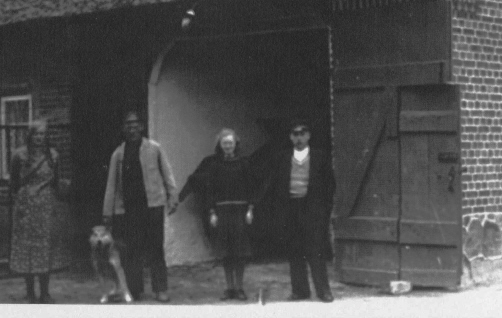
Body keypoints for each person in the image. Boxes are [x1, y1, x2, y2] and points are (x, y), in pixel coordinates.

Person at [102, 110, 179, 302]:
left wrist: (173, 196)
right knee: (132, 250)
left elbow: (167, 174)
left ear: (142, 127)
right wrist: (107, 213)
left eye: (135, 125)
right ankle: (135, 289)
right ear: (123, 129)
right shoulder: (118, 154)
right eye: (128, 125)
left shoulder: (154, 148)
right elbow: (111, 184)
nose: (132, 128)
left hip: (152, 206)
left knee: (155, 248)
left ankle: (160, 289)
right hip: (128, 209)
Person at [177, 128, 257, 300]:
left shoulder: (245, 163)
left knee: (240, 252)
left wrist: (250, 209)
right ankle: (229, 288)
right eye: (224, 143)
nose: (228, 146)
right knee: (227, 252)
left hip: (240, 211)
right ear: (220, 145)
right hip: (222, 212)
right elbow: (210, 191)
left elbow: (252, 187)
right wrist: (212, 213)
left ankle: (240, 287)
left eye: (230, 142)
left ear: (236, 144)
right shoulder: (214, 165)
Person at [264, 118, 335, 302]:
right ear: (290, 137)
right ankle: (300, 291)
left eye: (303, 133)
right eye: (295, 134)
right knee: (295, 250)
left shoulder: (320, 156)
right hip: (291, 208)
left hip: (312, 209)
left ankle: (323, 291)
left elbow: (329, 185)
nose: (299, 137)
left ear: (309, 135)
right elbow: (275, 184)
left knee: (316, 250)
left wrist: (323, 210)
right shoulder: (282, 157)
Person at [8, 120, 67, 303]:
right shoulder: (19, 155)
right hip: (26, 207)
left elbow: (56, 182)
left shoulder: (53, 156)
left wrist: (55, 203)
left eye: (43, 134)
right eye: (36, 134)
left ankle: (45, 292)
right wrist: (22, 200)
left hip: (45, 207)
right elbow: (13, 183)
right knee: (27, 248)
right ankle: (30, 292)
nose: (39, 138)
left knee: (45, 248)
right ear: (30, 135)